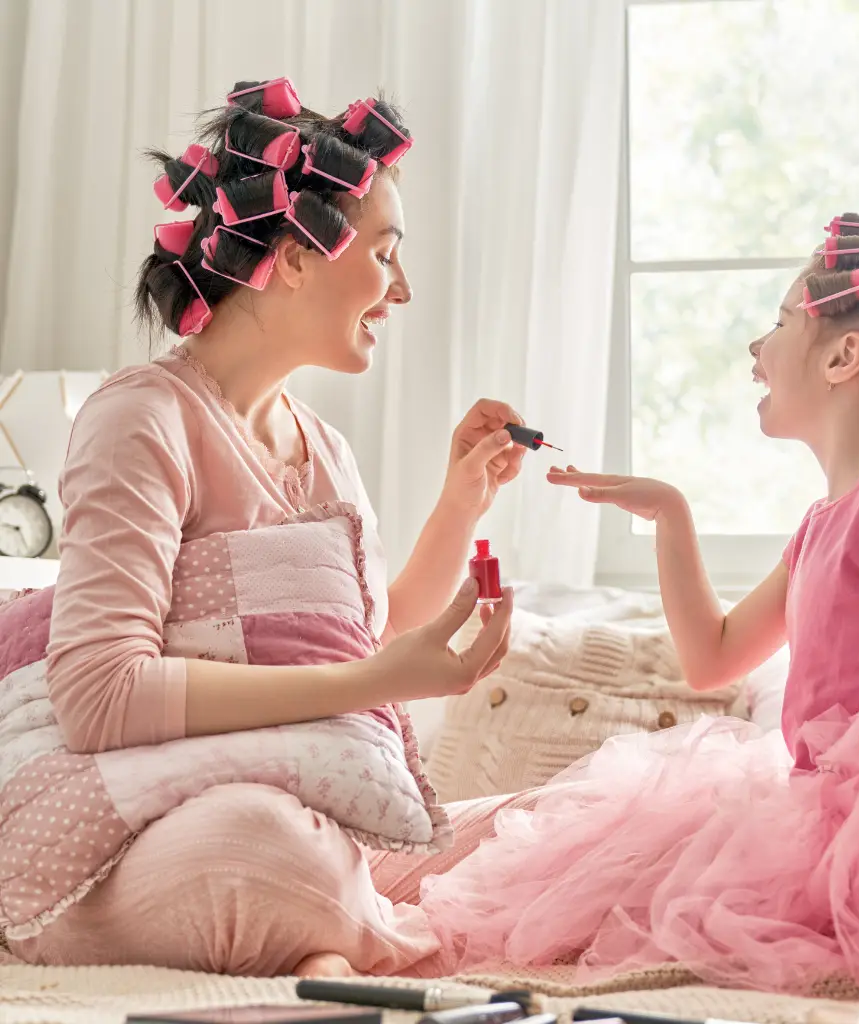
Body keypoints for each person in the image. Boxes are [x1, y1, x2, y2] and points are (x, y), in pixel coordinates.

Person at [417, 215, 859, 998]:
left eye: (778, 323)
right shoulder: (821, 522)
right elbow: (715, 656)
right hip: (811, 808)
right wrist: (670, 514)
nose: (755, 350)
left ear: (844, 356)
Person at [5, 79, 524, 977]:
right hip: (143, 830)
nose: (402, 291)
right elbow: (98, 695)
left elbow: (366, 639)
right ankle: (341, 922)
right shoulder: (143, 419)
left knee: (531, 829)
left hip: (284, 797)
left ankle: (341, 928)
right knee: (269, 851)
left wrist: (460, 502)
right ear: (291, 257)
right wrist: (365, 680)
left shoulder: (321, 446)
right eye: (386, 253)